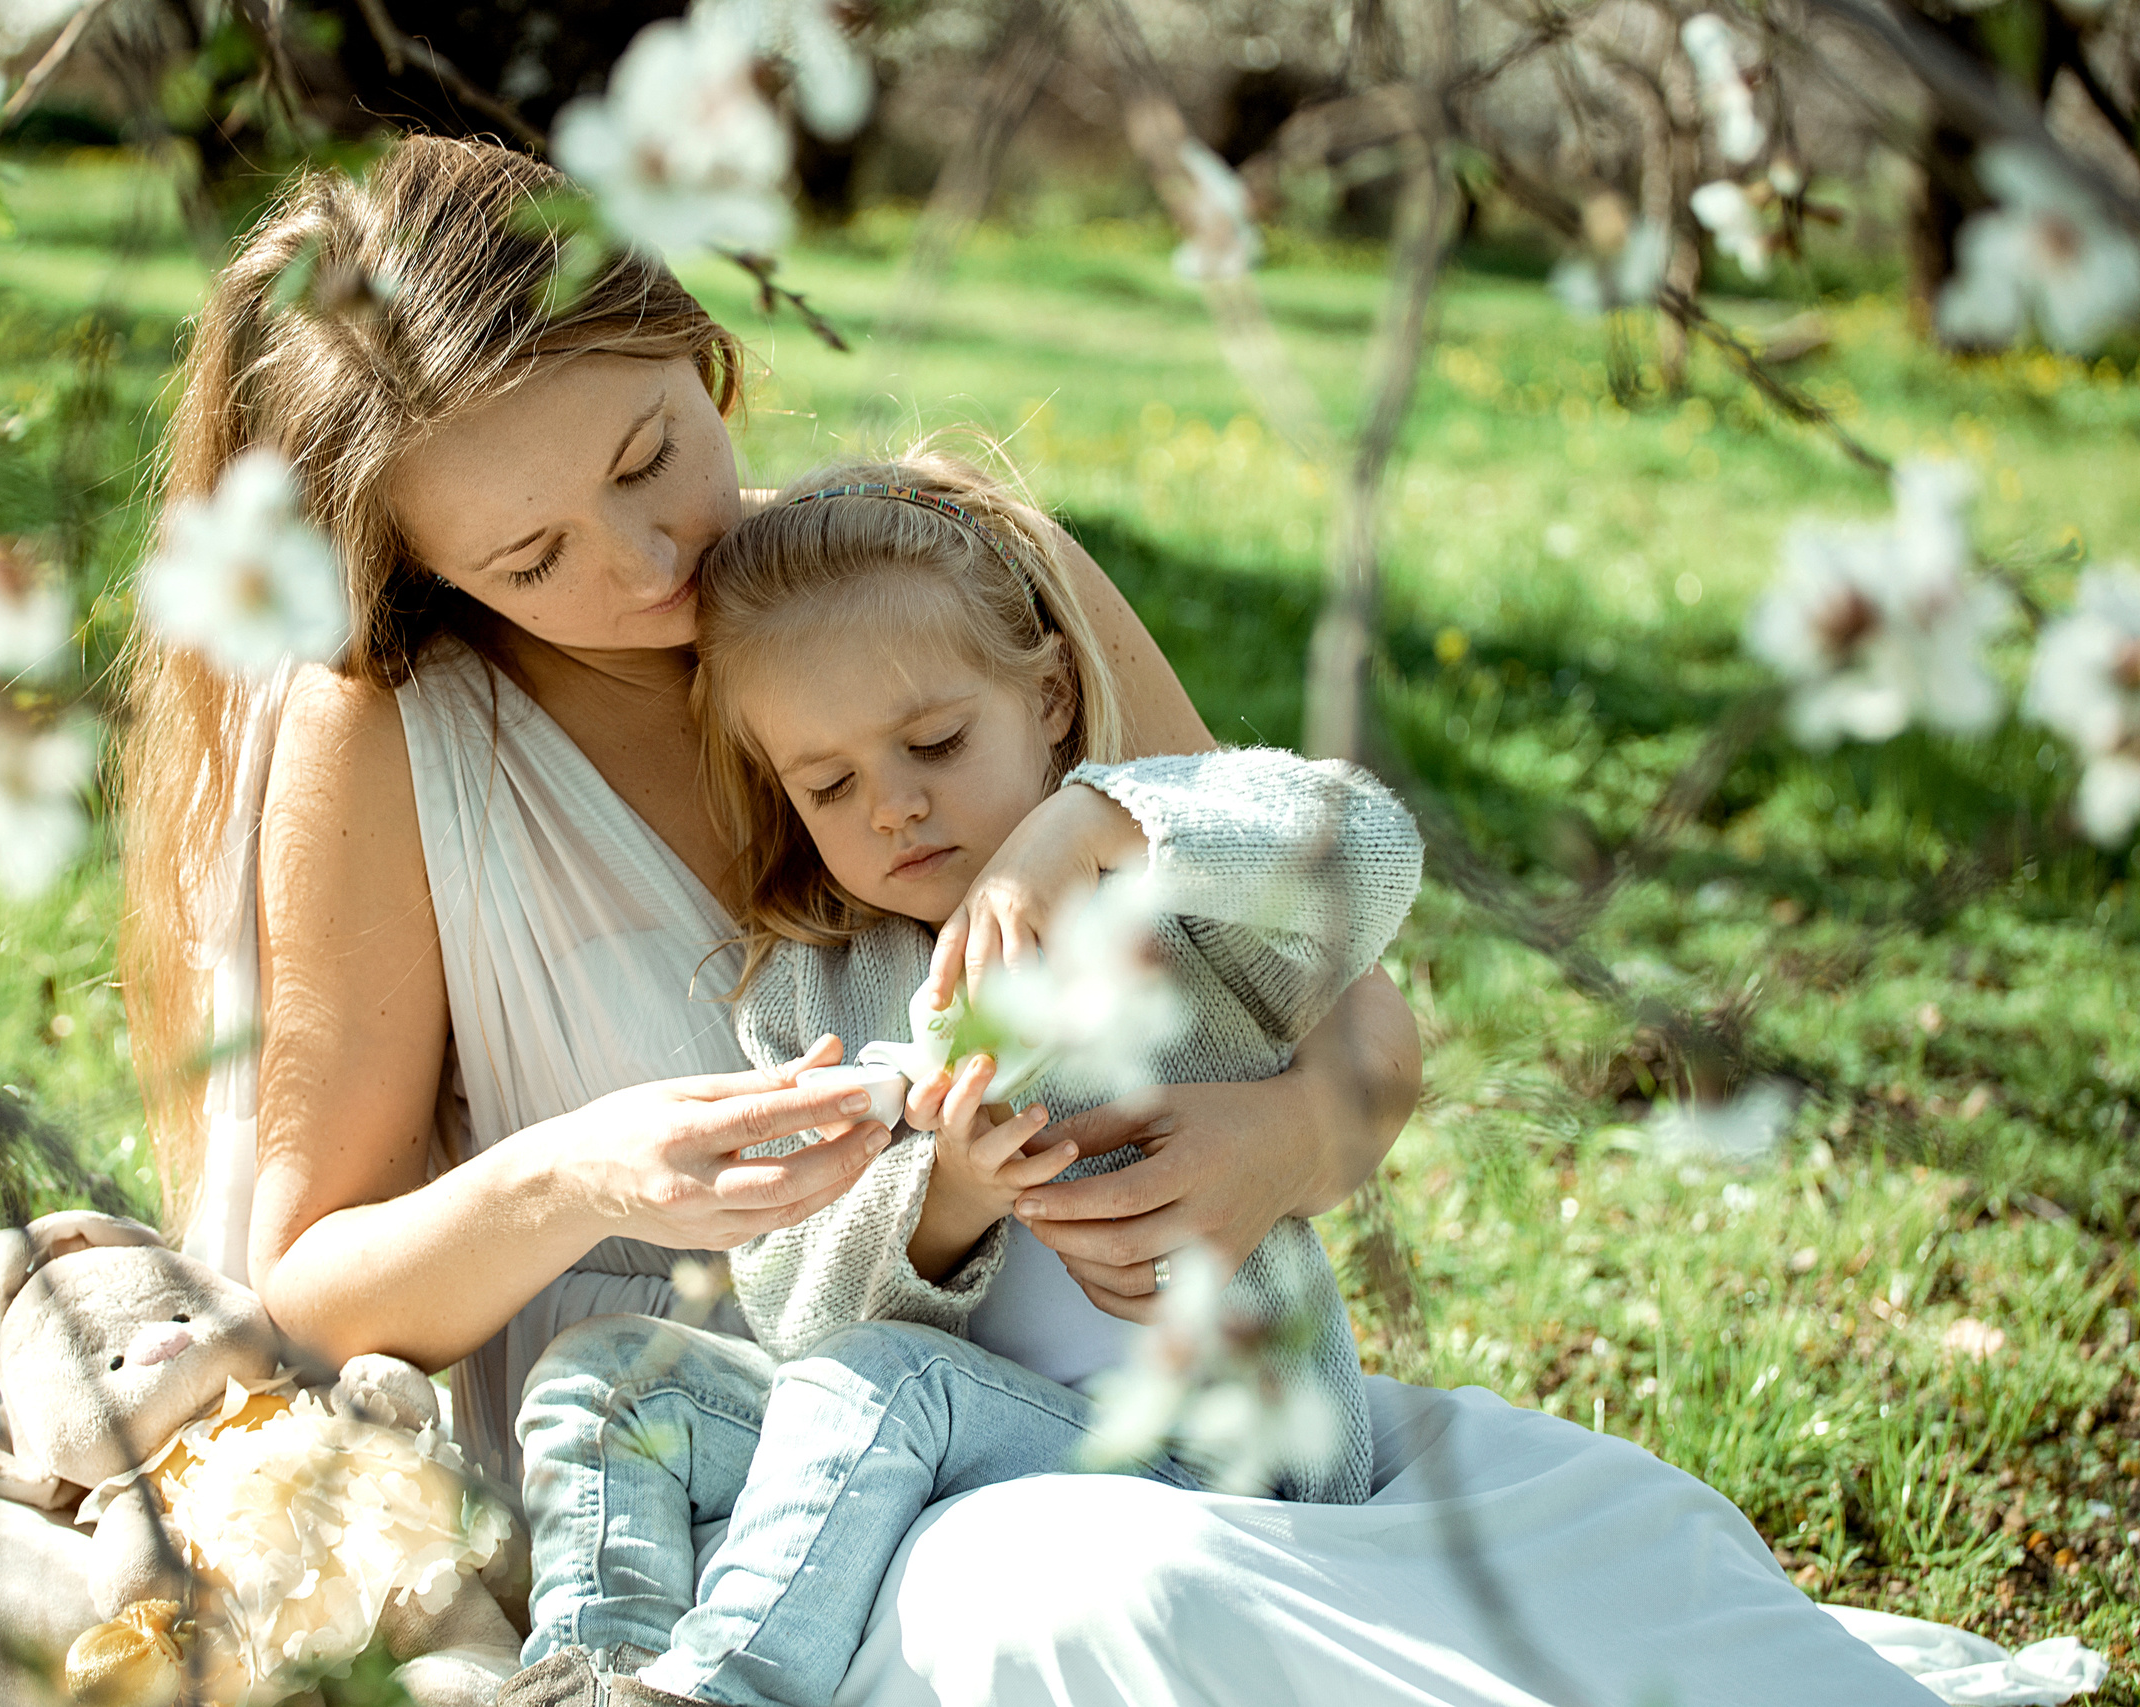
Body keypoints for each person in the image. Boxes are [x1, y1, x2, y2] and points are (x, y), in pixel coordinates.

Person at [130, 136, 1934, 1704]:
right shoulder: (391, 736)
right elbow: (297, 1291)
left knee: (1229, 1590)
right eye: (528, 559)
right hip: (687, 1473)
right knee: (1074, 1598)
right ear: (427, 571)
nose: (639, 560)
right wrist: (582, 1177)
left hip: (1075, 1404)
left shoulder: (946, 586)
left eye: (647, 451)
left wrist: (1289, 1132)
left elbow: (1350, 1001)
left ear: (698, 343)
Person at [505, 449, 1424, 1707]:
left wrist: (1088, 822)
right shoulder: (808, 989)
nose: (894, 808)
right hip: (951, 1430)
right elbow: (797, 1320)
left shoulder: (1177, 910)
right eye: (828, 784)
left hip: (1207, 1459)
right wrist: (939, 1206)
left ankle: (720, 1692)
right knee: (609, 1377)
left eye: (935, 741)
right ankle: (587, 1670)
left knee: (893, 1387)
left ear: (1047, 697)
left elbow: (1367, 845)